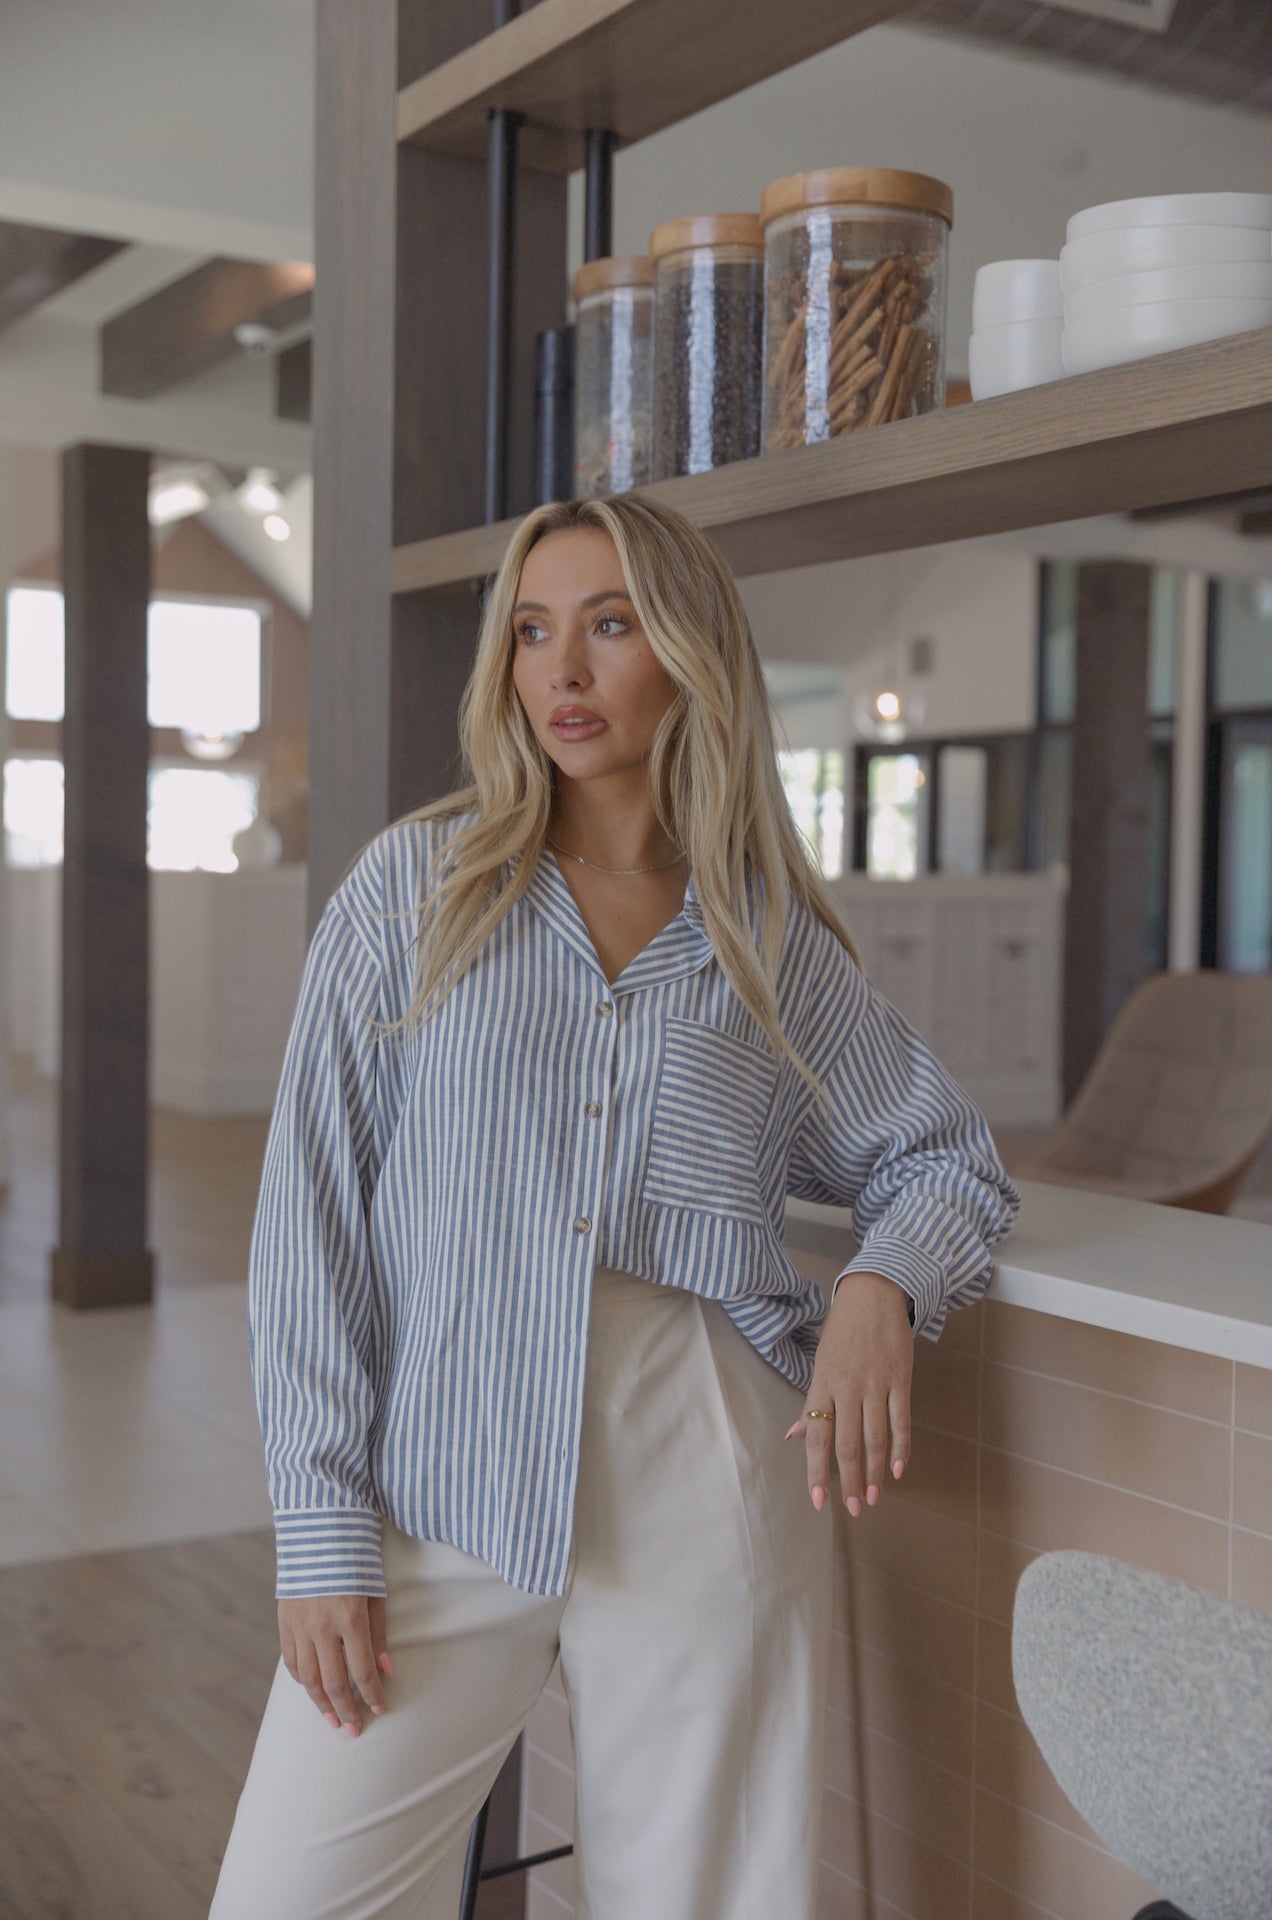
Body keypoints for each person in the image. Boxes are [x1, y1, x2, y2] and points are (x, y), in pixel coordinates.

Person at [210, 492, 1021, 1920]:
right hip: (443, 1470)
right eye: (532, 632)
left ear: (690, 652)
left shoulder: (764, 933)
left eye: (609, 624)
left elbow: (947, 1156)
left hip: (702, 1458)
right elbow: (310, 1229)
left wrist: (882, 1289)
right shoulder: (416, 891)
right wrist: (321, 1529)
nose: (562, 672)